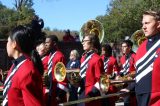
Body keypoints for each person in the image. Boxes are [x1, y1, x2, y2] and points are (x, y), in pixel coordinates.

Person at [3, 25, 44, 106]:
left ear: (14, 44)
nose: (6, 44)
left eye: (8, 41)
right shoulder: (16, 65)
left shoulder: (27, 70)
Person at [135, 10, 160, 106]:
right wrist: (129, 88)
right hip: (140, 97)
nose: (143, 27)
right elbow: (139, 73)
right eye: (142, 24)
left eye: (147, 23)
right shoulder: (141, 47)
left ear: (158, 24)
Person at [79, 34, 104, 106]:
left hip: (92, 95)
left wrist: (91, 94)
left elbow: (100, 80)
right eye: (82, 41)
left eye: (85, 41)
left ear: (92, 43)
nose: (83, 43)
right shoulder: (83, 58)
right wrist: (76, 82)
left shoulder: (97, 59)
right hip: (82, 92)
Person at [43, 35, 68, 106]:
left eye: (47, 42)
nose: (45, 44)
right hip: (51, 90)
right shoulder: (50, 55)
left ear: (54, 43)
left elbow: (62, 78)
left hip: (57, 93)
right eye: (45, 43)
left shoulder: (59, 56)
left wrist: (59, 95)